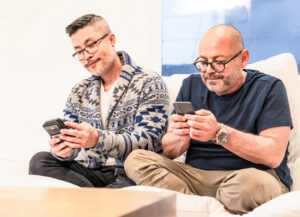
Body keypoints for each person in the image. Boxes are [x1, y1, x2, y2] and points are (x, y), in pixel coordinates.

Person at [124, 24, 292, 214]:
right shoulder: (191, 85)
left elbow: (273, 155)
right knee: (135, 159)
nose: (208, 70)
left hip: (250, 178)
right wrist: (178, 137)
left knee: (246, 185)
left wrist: (219, 133)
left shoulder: (269, 88)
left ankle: (191, 206)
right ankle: (200, 207)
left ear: (243, 59)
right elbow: (171, 152)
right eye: (203, 62)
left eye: (218, 62)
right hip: (195, 177)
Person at [29, 14, 169, 188]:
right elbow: (74, 145)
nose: (86, 55)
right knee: (40, 161)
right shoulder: (79, 91)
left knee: (129, 180)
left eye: (91, 45)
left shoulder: (148, 81)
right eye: (79, 51)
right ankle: (97, 199)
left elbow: (150, 141)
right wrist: (64, 151)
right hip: (92, 171)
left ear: (111, 40)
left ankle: (95, 201)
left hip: (130, 172)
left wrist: (98, 140)